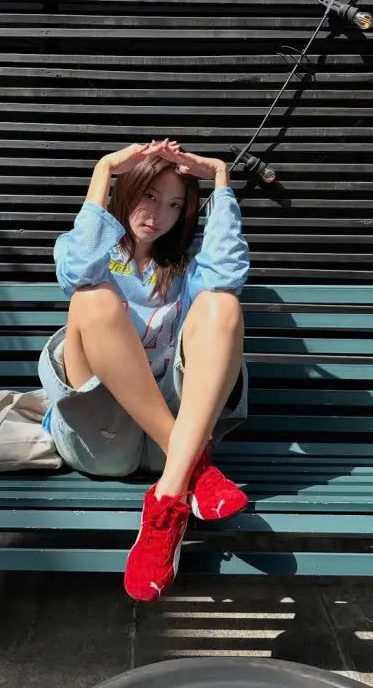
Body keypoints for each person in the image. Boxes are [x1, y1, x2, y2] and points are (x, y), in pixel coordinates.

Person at [38, 137, 251, 602]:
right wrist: (103, 169)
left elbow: (228, 276)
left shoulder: (185, 267)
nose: (159, 214)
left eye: (175, 205)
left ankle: (167, 503)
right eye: (150, 195)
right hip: (99, 439)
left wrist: (220, 177)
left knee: (223, 304)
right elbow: (79, 272)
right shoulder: (89, 252)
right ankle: (197, 469)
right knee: (92, 298)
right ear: (128, 189)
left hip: (164, 455)